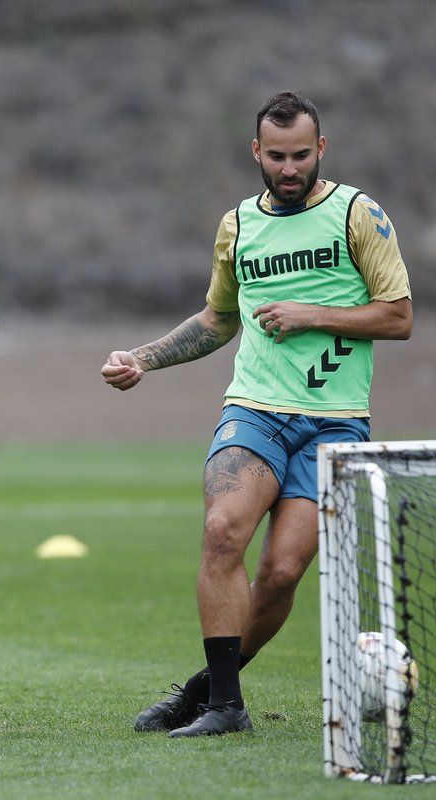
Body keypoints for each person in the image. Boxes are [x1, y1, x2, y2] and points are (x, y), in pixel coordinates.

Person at [101, 92, 412, 737]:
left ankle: (202, 690)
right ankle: (226, 708)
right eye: (277, 156)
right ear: (257, 153)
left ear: (321, 148)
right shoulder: (238, 225)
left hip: (335, 422)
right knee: (222, 532)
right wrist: (144, 358)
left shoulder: (358, 214)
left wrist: (311, 314)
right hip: (256, 413)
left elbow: (399, 315)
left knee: (280, 573)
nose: (289, 167)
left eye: (301, 155)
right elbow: (219, 317)